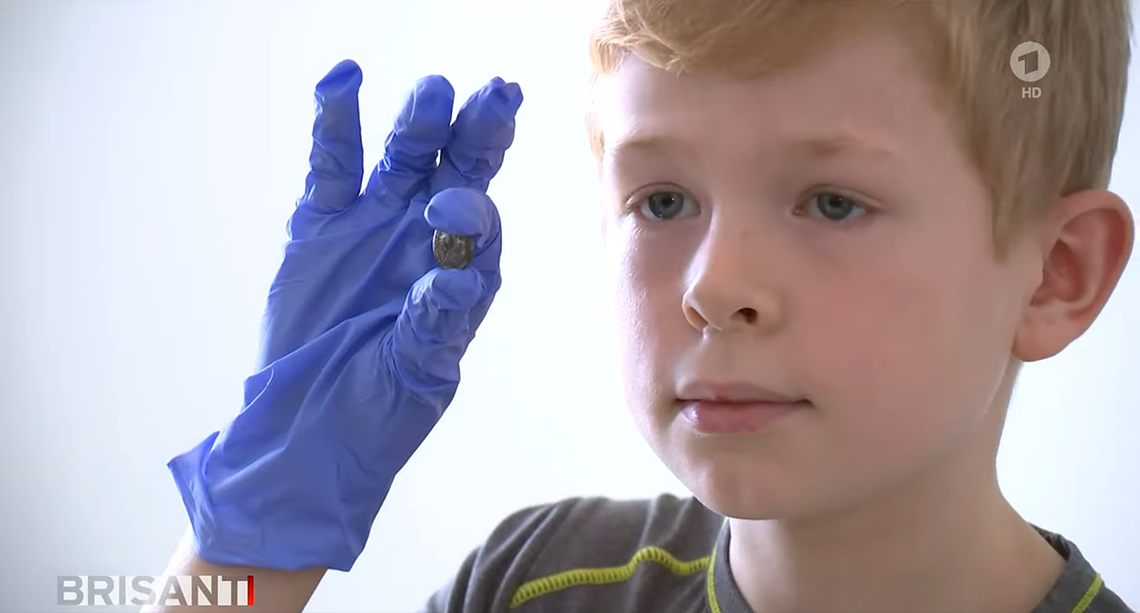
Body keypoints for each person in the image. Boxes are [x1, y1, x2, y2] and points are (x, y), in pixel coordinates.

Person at [147, 1, 1137, 611]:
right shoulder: (535, 583)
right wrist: (246, 552)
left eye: (833, 202)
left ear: (1055, 274)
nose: (714, 286)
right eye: (662, 201)